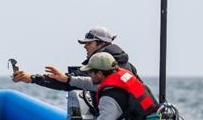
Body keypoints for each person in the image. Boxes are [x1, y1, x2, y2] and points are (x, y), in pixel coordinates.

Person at [45, 52, 157, 120]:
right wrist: (68, 79)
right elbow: (92, 83)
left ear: (99, 73)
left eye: (90, 72)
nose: (89, 74)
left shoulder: (110, 98)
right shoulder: (122, 77)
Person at [12, 26, 142, 90]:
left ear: (101, 44)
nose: (85, 47)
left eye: (89, 43)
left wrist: (32, 79)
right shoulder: (128, 66)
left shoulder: (98, 66)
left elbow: (69, 83)